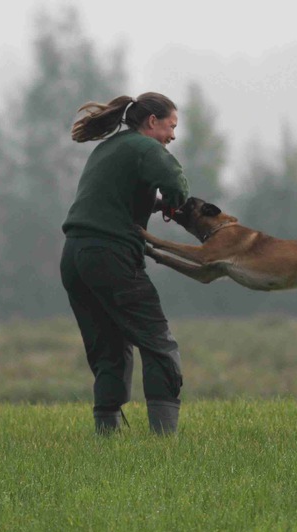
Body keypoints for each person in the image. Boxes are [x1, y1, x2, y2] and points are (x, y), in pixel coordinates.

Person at [60, 92, 189, 435]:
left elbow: (116, 194)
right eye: (171, 126)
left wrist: (153, 203)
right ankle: (165, 443)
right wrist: (177, 204)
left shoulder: (109, 148)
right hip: (110, 255)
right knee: (158, 343)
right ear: (152, 122)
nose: (172, 136)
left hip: (75, 257)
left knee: (109, 347)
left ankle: (107, 434)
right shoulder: (146, 148)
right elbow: (175, 182)